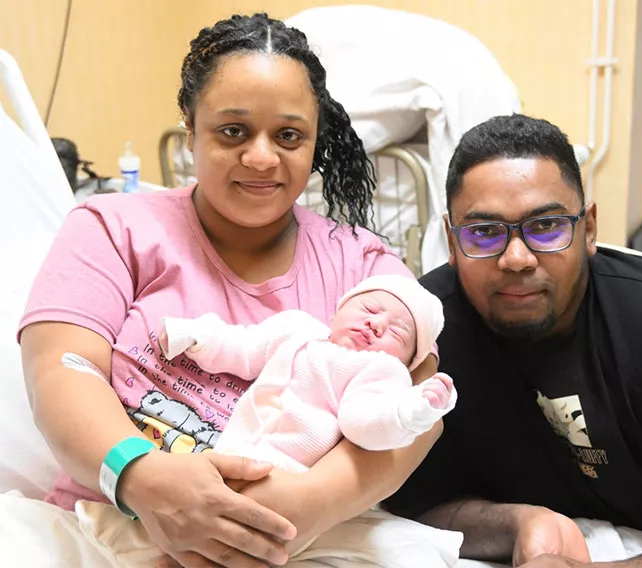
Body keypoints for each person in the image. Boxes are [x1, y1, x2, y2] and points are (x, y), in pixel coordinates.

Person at [10, 13, 443, 568]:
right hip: (106, 524)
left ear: (314, 143)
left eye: (289, 136)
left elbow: (420, 410)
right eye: (233, 131)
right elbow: (60, 369)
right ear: (191, 131)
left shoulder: (363, 267)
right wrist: (139, 475)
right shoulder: (113, 229)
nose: (261, 157)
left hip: (292, 542)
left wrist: (305, 506)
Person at [383, 114, 642, 567]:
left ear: (589, 229)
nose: (516, 258)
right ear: (451, 243)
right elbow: (417, 503)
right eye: (484, 233)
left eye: (546, 226)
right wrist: (520, 524)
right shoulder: (424, 331)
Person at [157, 274, 457, 474]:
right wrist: (198, 336)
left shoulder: (381, 371)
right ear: (337, 311)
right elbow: (243, 347)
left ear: (406, 361)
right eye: (369, 308)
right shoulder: (298, 327)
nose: (376, 325)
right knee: (194, 504)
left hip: (291, 473)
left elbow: (364, 423)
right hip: (230, 449)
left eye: (397, 332)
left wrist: (410, 411)